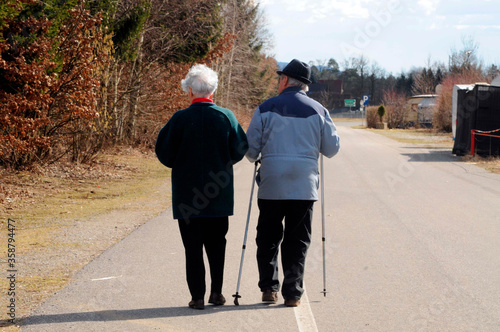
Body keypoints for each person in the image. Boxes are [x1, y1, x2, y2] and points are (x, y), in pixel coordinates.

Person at [245, 59, 340, 307]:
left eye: (280, 78)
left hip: (272, 183)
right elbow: (331, 149)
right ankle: (293, 293)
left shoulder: (265, 108)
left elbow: (251, 150)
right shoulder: (319, 110)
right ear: (305, 85)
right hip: (304, 185)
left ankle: (268, 287)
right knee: (298, 239)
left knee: (267, 236)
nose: (278, 82)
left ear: (285, 80)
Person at [155, 64, 248, 310]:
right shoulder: (226, 116)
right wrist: (225, 160)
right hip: (219, 194)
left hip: (187, 196)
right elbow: (241, 147)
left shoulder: (180, 119)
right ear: (213, 92)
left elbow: (163, 152)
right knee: (218, 244)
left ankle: (197, 296)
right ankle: (216, 293)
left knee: (192, 247)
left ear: (190, 91)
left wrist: (178, 163)